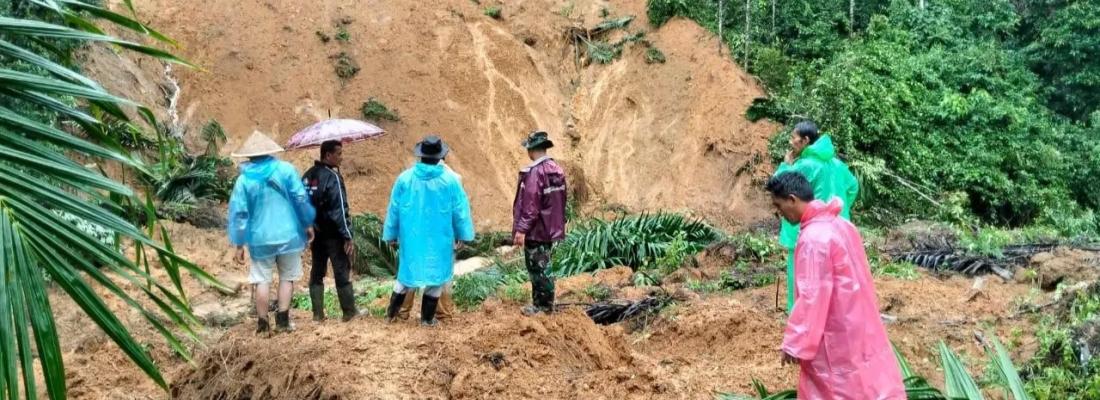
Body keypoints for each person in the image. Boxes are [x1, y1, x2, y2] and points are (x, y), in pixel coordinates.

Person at [767, 172, 904, 399]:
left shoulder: (813, 239)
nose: (779, 213)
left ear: (792, 199)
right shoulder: (841, 224)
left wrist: (794, 342)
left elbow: (812, 296)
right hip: (858, 322)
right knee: (864, 381)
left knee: (836, 386)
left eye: (779, 205)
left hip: (834, 330)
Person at [228, 131, 316, 333]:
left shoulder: (243, 180)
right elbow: (300, 198)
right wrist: (307, 224)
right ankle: (283, 321)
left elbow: (240, 213)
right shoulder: (286, 170)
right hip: (289, 235)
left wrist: (239, 244)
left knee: (261, 279)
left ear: (249, 156)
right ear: (270, 151)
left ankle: (262, 323)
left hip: (259, 238)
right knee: (287, 277)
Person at [382, 135, 475, 326]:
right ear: (440, 156)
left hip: (411, 237)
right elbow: (460, 211)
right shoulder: (450, 181)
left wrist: (391, 234)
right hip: (439, 239)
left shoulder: (404, 179)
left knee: (406, 274)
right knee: (437, 277)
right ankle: (427, 319)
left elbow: (394, 209)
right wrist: (463, 235)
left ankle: (392, 316)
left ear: (420, 156)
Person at [773, 121, 859, 312]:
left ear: (805, 140)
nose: (791, 141)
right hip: (837, 232)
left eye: (794, 137)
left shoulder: (805, 165)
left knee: (801, 281)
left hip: (805, 234)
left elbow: (778, 186)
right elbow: (853, 187)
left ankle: (798, 317)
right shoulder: (837, 164)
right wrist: (840, 211)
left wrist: (785, 165)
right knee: (832, 278)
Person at [396, 156, 460, 321]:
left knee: (410, 271)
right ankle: (440, 314)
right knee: (441, 276)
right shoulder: (452, 178)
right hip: (441, 237)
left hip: (415, 234)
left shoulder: (409, 177)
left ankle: (400, 312)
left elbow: (399, 208)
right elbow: (458, 210)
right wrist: (460, 233)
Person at [302, 140, 359, 322]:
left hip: (315, 233)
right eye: (339, 154)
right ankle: (349, 312)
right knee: (341, 270)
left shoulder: (308, 176)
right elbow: (339, 210)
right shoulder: (332, 178)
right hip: (333, 234)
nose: (341, 158)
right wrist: (347, 235)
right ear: (328, 155)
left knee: (317, 272)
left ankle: (318, 315)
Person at [512, 131, 567, 316]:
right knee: (544, 265)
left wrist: (521, 230)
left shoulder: (536, 173)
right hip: (550, 228)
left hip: (536, 230)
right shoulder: (556, 169)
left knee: (538, 269)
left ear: (531, 149)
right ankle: (542, 305)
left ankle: (543, 307)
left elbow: (531, 207)